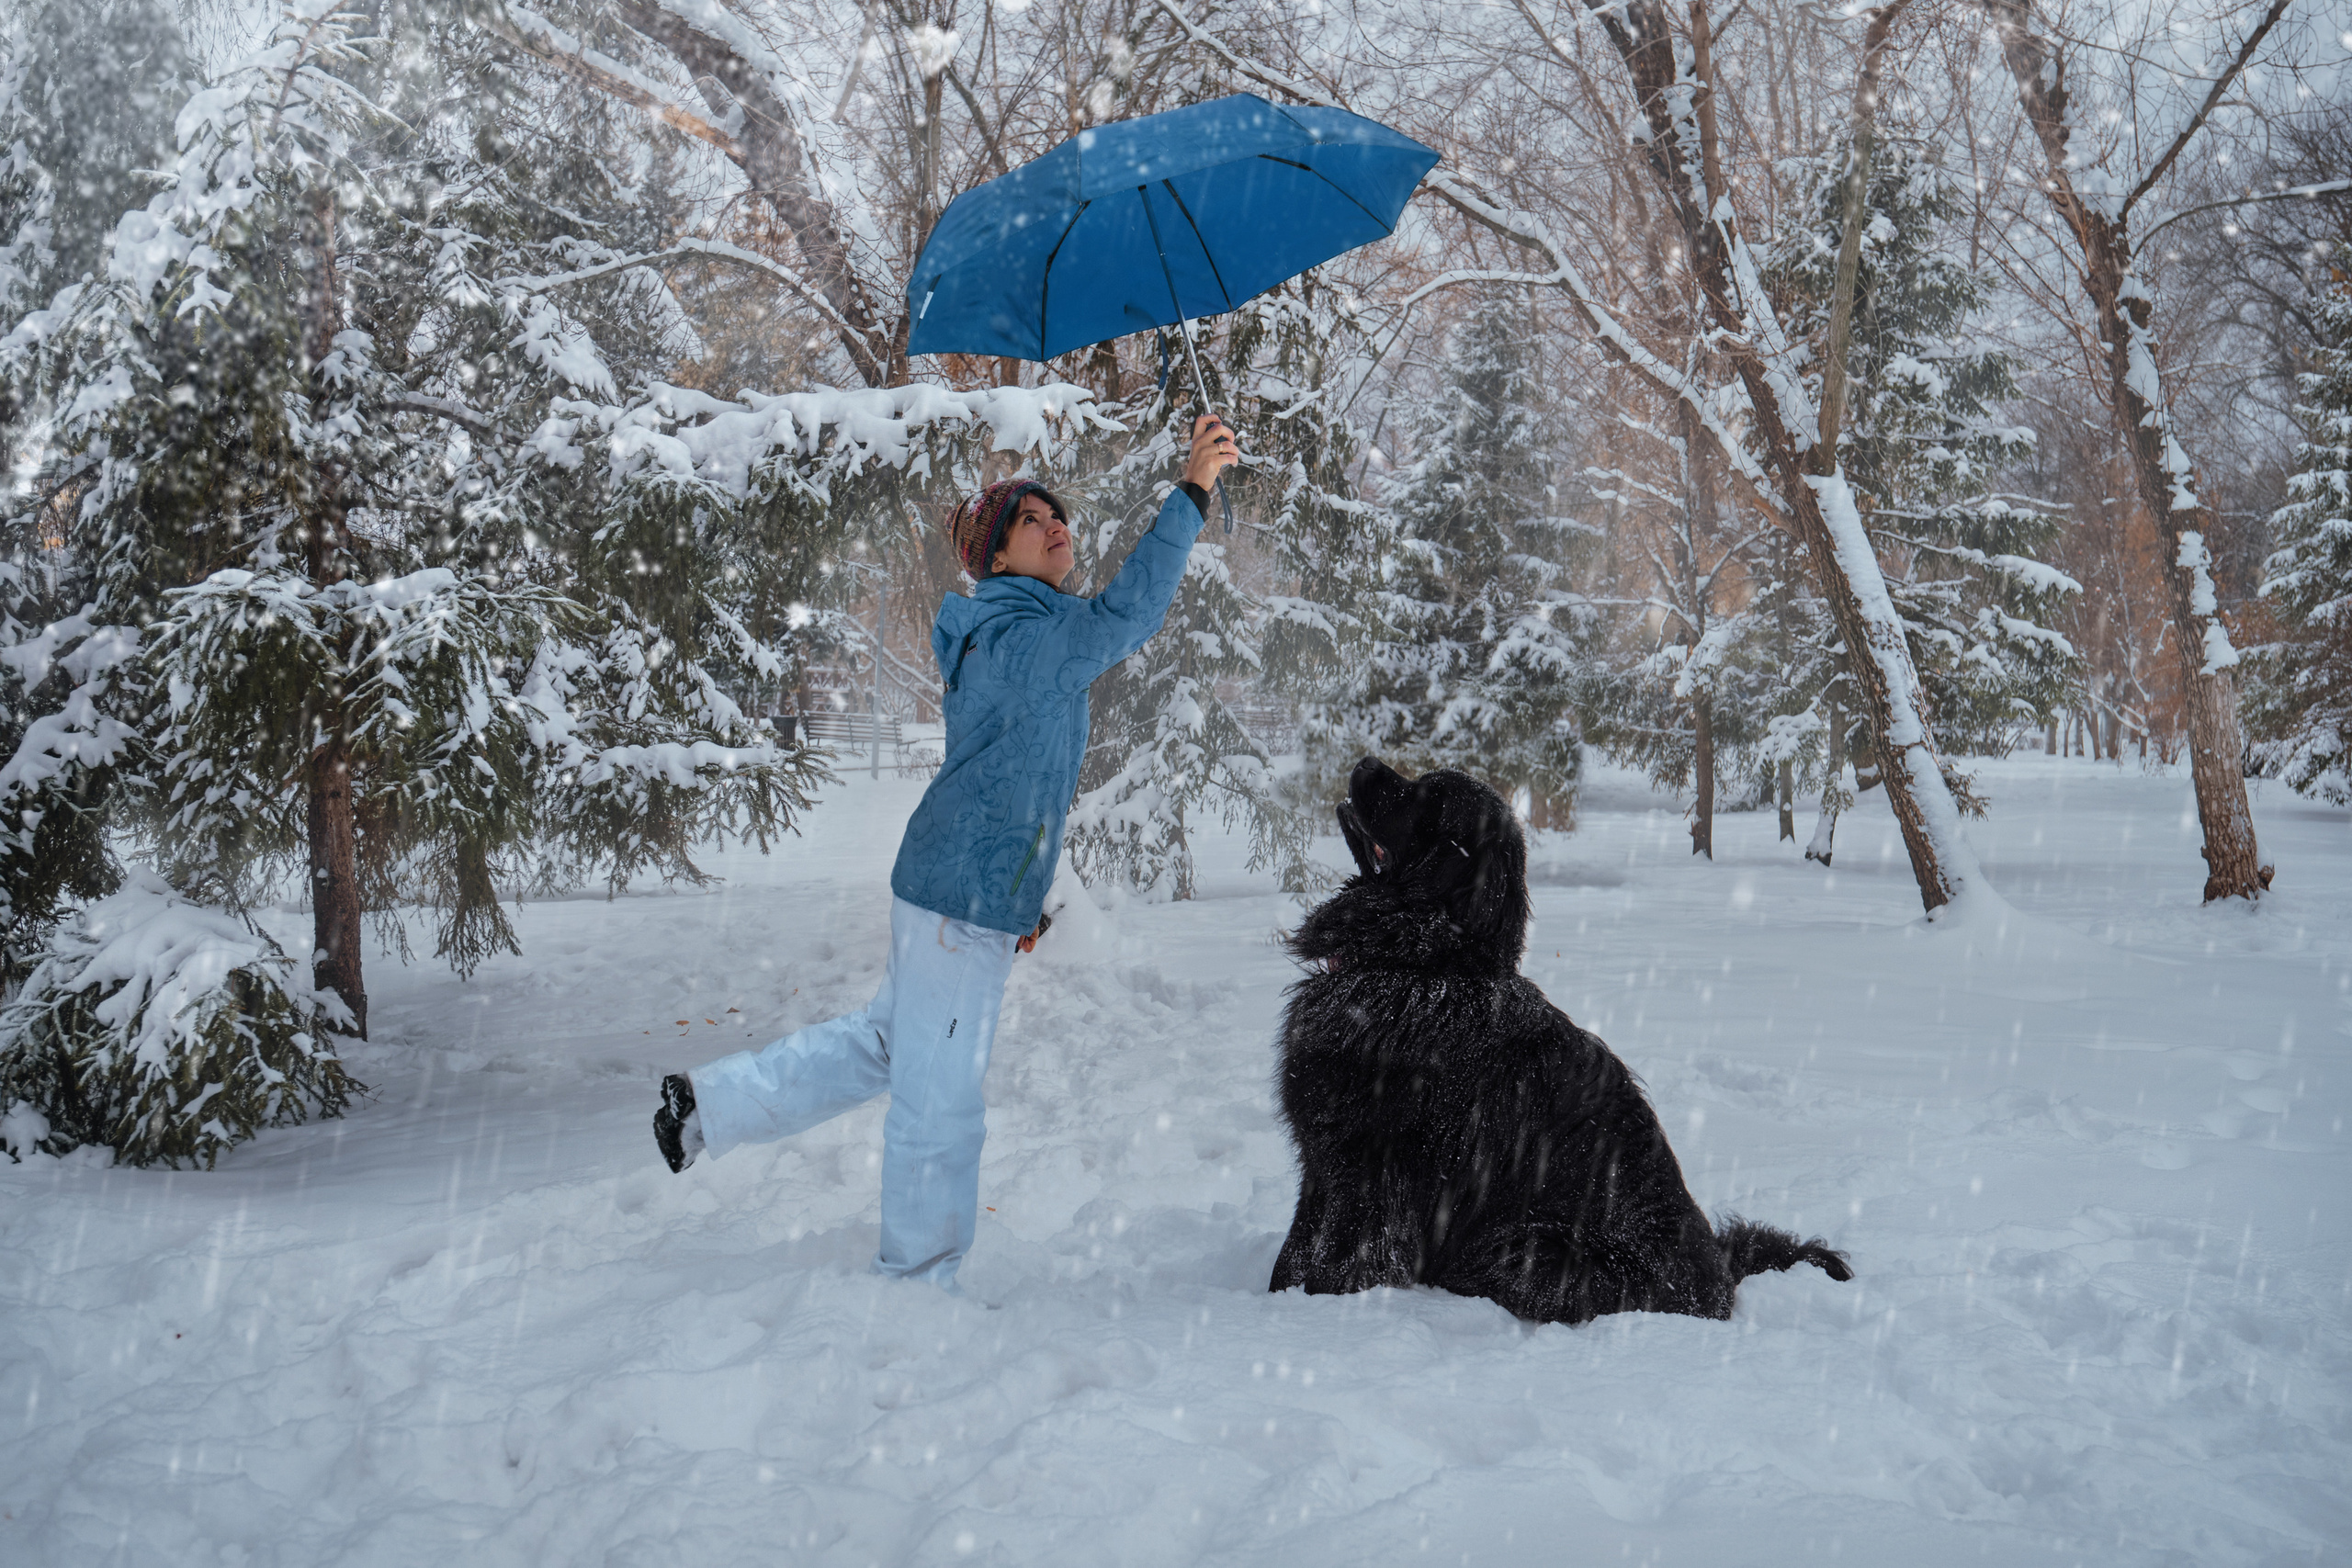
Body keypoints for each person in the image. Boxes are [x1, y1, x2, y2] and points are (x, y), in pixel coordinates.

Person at [650, 413, 1241, 1292]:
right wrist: (1191, 492)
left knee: (887, 1047)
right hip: (956, 903)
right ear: (998, 557)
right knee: (940, 1102)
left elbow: (1016, 779)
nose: (1055, 523)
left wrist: (1023, 893)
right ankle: (918, 1281)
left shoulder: (1008, 633)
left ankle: (709, 1108)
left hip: (953, 891)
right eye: (1032, 519)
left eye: (1057, 512)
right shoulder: (1024, 637)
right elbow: (1129, 614)